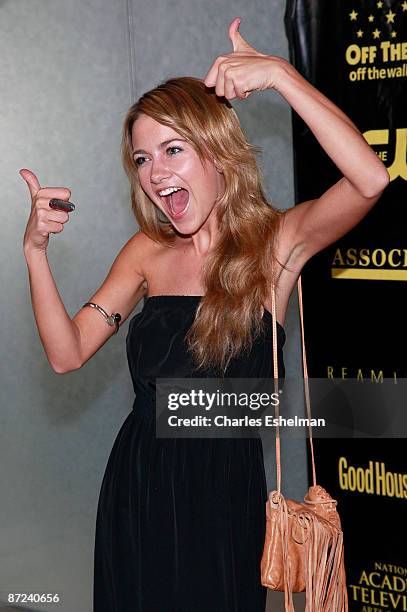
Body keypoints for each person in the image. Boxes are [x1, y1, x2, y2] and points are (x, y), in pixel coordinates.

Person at [21, 17, 389, 612]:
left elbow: (369, 180)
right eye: (143, 159)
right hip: (137, 486)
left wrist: (281, 74)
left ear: (217, 151)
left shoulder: (276, 245)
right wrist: (36, 253)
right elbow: (66, 355)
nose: (156, 172)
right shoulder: (146, 252)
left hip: (223, 494)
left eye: (173, 149)